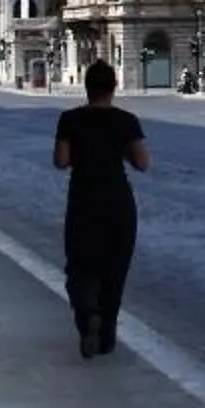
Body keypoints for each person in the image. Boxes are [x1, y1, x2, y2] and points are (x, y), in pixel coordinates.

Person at [54, 61, 148, 357]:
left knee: (80, 267)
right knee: (114, 269)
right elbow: (143, 163)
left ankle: (87, 315)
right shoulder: (127, 121)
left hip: (83, 199)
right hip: (118, 201)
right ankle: (107, 333)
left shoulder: (69, 119)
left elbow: (60, 160)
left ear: (86, 86)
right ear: (113, 87)